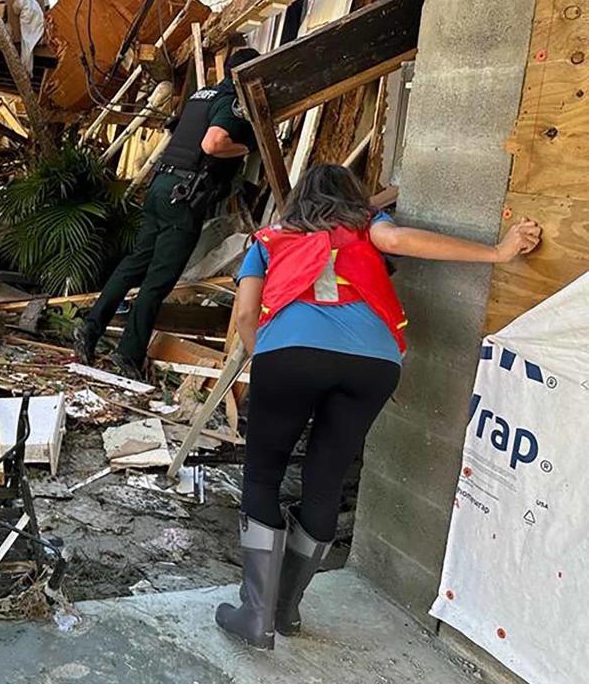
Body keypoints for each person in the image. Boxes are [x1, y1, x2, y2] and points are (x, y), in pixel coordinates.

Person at [215, 164, 542, 649]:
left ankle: (255, 615)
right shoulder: (369, 227)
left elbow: (245, 314)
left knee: (263, 476)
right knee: (324, 482)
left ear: (300, 199)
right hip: (374, 363)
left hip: (291, 353)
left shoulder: (268, 239)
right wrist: (498, 252)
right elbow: (404, 240)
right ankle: (287, 610)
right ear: (356, 201)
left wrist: (271, 362)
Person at [75, 47, 262, 380]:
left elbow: (178, 131)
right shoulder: (232, 100)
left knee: (135, 263)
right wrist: (248, 147)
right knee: (157, 281)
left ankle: (90, 328)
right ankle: (128, 356)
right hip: (185, 197)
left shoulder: (200, 96)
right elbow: (213, 143)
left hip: (162, 186)